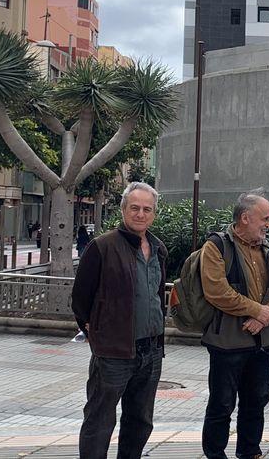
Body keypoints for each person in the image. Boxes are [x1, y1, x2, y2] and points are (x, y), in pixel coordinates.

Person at [71, 182, 168, 459]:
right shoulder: (102, 247)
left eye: (147, 209)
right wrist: (94, 331)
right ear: (124, 209)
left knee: (140, 422)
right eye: (134, 208)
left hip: (151, 352)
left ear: (154, 214)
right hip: (113, 352)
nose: (140, 214)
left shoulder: (158, 248)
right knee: (100, 420)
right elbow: (81, 298)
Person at [200, 190, 269, 459]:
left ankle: (250, 452)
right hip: (227, 342)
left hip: (262, 342)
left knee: (257, 401)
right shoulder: (216, 246)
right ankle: (215, 453)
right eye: (266, 218)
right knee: (222, 403)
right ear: (245, 217)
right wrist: (258, 311)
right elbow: (217, 291)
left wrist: (266, 314)